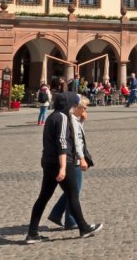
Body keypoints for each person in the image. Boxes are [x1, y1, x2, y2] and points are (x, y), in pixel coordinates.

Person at [26, 92, 103, 243]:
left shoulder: (51, 117)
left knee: (43, 197)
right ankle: (83, 228)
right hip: (61, 162)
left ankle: (32, 233)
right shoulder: (62, 117)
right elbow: (62, 143)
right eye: (73, 104)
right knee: (73, 194)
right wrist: (62, 167)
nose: (74, 107)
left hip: (48, 162)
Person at [47, 95, 93, 230]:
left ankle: (58, 214)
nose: (86, 111)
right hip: (73, 160)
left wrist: (82, 121)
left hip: (72, 159)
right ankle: (70, 220)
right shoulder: (70, 120)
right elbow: (76, 141)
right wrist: (82, 158)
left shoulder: (74, 120)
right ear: (77, 107)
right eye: (84, 108)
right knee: (74, 191)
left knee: (72, 190)